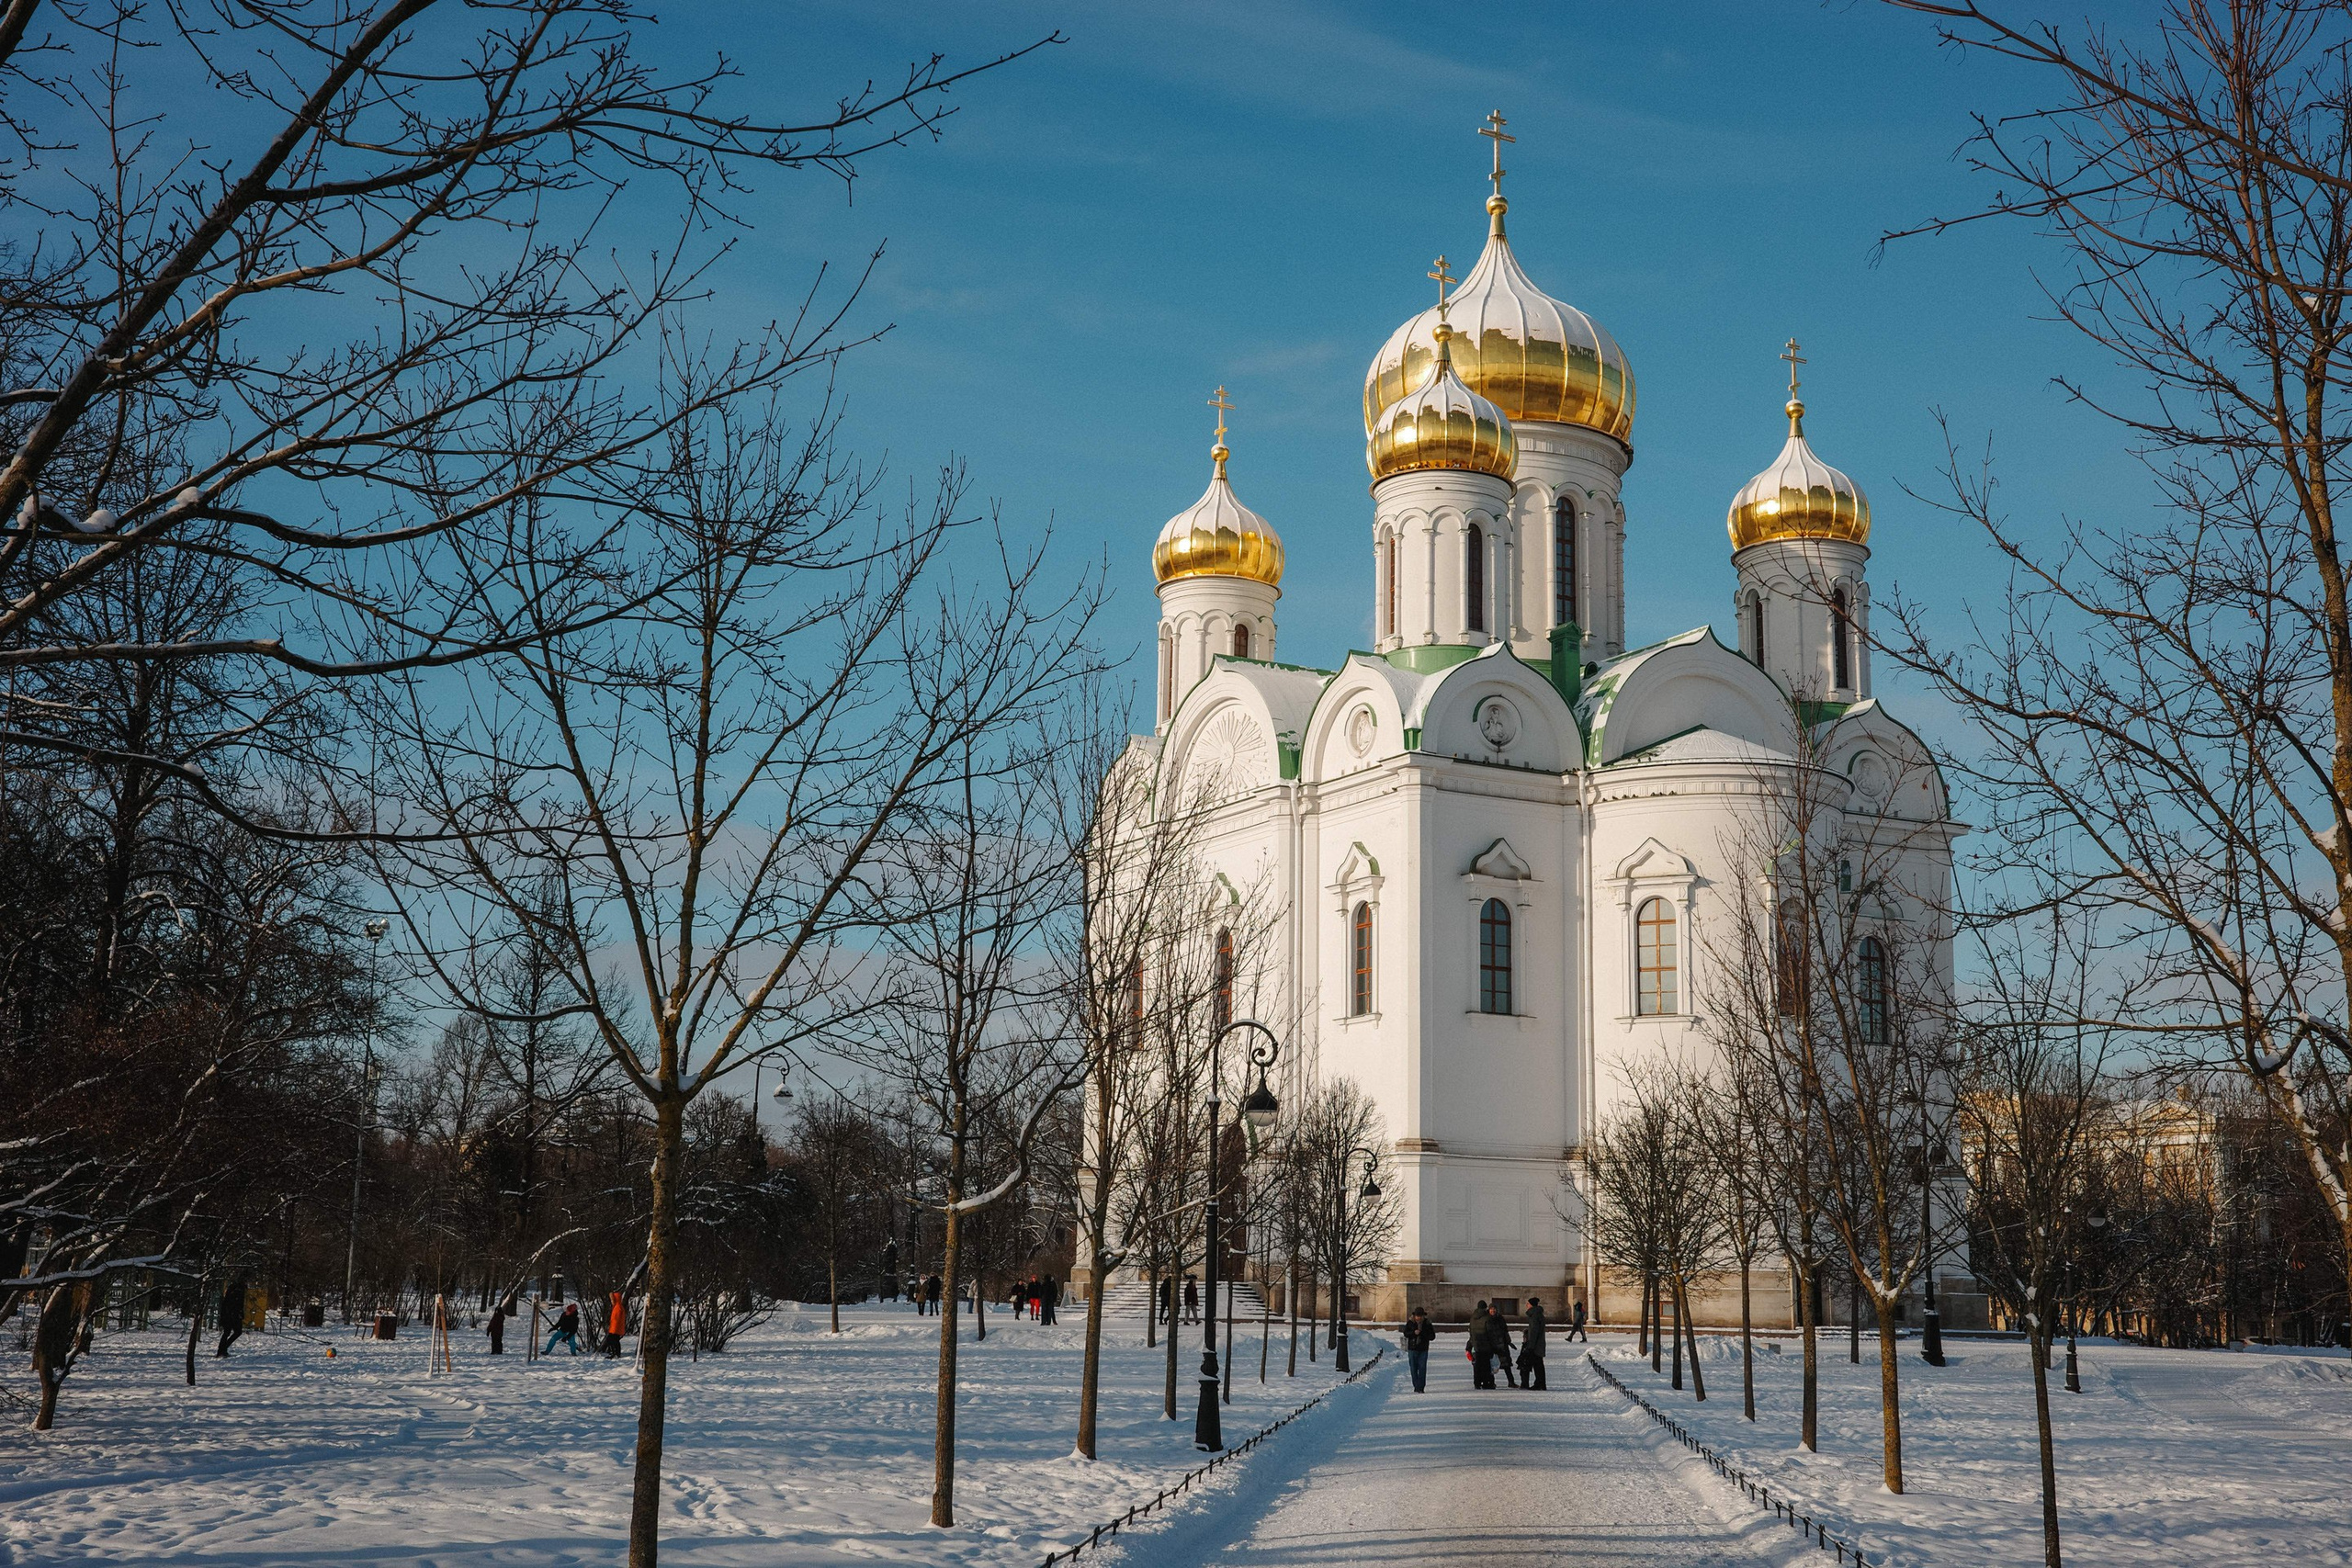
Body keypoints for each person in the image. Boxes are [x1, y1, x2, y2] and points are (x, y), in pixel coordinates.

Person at [1400, 1306, 1437, 1393]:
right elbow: (1406, 1333)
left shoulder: (1427, 1324)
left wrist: (1423, 1333)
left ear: (1423, 1316)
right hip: (1412, 1349)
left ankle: (1421, 1387)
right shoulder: (1410, 1323)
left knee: (1422, 1368)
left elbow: (1432, 1336)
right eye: (1417, 1316)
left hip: (1423, 1349)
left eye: (1420, 1316)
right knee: (1413, 1368)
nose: (1418, 1318)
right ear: (1414, 1316)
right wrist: (1414, 1333)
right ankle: (1416, 1385)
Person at [1486, 1302, 1519, 1387]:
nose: (1493, 1311)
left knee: (1507, 1365)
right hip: (1492, 1345)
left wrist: (1508, 1341)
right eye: (1491, 1309)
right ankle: (1491, 1382)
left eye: (1494, 1309)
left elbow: (1505, 1331)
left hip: (1502, 1345)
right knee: (1492, 1364)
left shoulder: (1500, 1318)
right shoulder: (1486, 1319)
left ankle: (1511, 1382)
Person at [1520, 1297, 1548, 1390]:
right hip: (1539, 1344)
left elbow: (1534, 1331)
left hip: (1535, 1345)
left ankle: (1539, 1384)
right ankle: (1541, 1383)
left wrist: (1530, 1346)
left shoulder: (1534, 1315)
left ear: (1531, 1305)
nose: (1526, 1306)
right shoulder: (1538, 1314)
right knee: (1538, 1364)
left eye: (1527, 1304)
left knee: (1536, 1365)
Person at [1468, 1300, 1496, 1387]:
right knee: (1486, 1365)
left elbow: (1471, 1331)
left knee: (1477, 1365)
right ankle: (1486, 1382)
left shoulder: (1473, 1318)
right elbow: (1490, 1333)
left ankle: (1477, 1382)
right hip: (1486, 1345)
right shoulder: (1487, 1318)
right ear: (1485, 1308)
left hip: (1476, 1345)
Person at [605, 1292, 628, 1357]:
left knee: (612, 1340)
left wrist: (613, 1328)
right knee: (615, 1340)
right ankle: (616, 1353)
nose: (611, 1301)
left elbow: (616, 1320)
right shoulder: (618, 1307)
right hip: (616, 1327)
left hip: (615, 1328)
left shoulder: (618, 1308)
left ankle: (615, 1353)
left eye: (612, 1299)